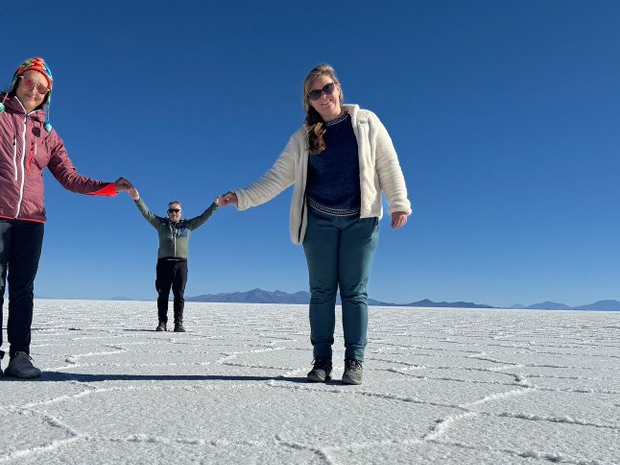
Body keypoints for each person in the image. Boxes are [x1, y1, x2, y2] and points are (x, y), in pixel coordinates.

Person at [0, 57, 132, 380]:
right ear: (17, 80)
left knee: (23, 289)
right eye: (29, 81)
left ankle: (20, 357)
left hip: (32, 219)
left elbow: (69, 178)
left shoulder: (48, 134)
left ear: (47, 95)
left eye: (42, 88)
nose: (34, 90)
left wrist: (109, 187)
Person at [217, 64, 411, 385]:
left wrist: (398, 202)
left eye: (327, 88)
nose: (323, 96)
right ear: (308, 101)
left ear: (338, 88)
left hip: (360, 222)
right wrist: (242, 196)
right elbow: (277, 177)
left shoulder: (366, 122)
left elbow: (387, 163)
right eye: (314, 93)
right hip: (318, 221)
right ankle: (321, 361)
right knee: (321, 292)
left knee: (354, 292)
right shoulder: (303, 137)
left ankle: (354, 361)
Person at [123, 181, 221, 331]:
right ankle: (162, 323)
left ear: (181, 212)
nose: (174, 213)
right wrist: (137, 199)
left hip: (181, 264)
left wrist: (215, 205)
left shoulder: (188, 226)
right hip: (164, 264)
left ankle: (178, 324)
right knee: (163, 295)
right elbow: (146, 213)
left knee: (179, 295)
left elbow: (204, 217)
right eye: (171, 211)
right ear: (168, 212)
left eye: (177, 210)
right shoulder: (161, 224)